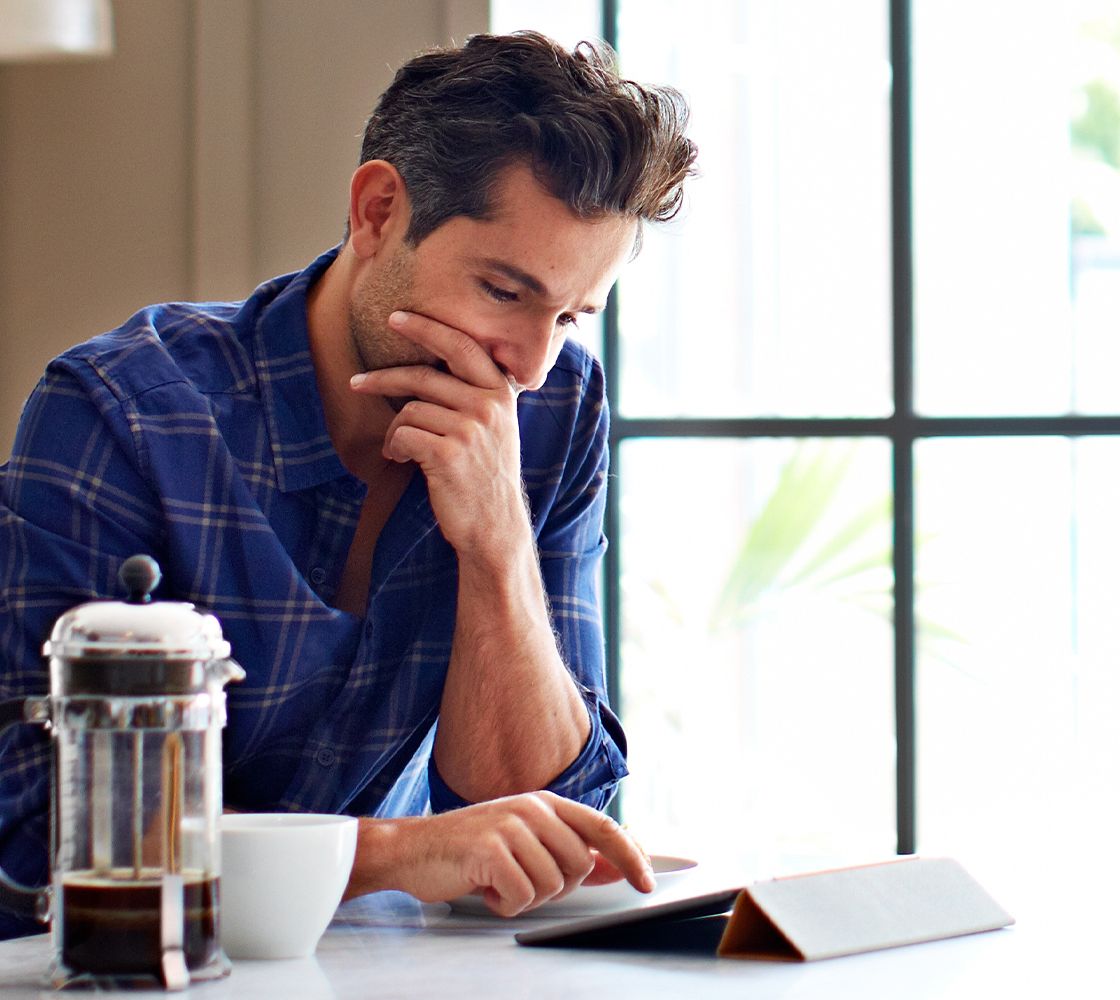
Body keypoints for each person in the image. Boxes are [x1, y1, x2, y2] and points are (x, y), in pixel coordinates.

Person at [0, 30, 696, 938]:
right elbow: (35, 832)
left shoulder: (556, 408)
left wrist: (497, 545)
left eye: (568, 316)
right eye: (502, 291)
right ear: (377, 212)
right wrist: (397, 854)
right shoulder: (124, 413)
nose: (527, 367)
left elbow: (547, 831)